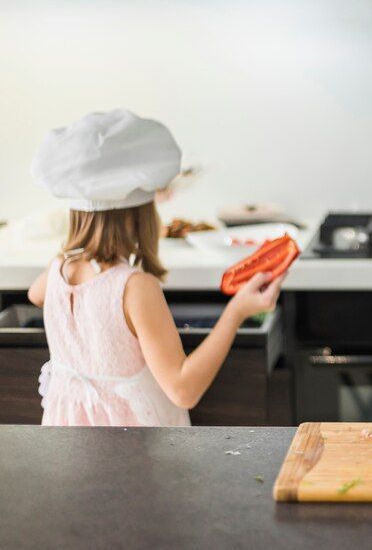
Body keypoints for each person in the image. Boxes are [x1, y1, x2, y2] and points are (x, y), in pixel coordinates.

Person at [27, 109, 285, 426]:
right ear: (141, 215)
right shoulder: (134, 287)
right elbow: (183, 390)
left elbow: (36, 295)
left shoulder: (58, 268)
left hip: (70, 448)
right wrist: (236, 312)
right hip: (135, 456)